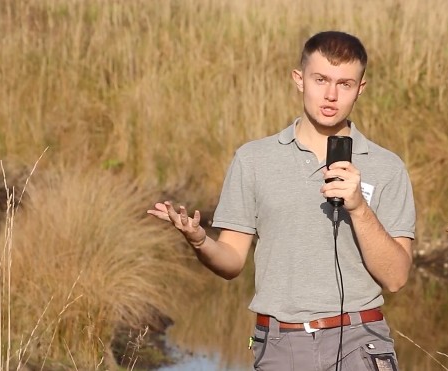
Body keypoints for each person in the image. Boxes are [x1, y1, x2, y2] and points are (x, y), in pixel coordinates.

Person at [148, 31, 415, 371]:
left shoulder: (387, 167)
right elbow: (230, 261)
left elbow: (396, 278)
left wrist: (359, 208)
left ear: (360, 89)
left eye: (345, 84)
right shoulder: (253, 159)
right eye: (320, 80)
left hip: (361, 342)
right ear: (299, 79)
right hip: (278, 346)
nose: (331, 95)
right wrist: (199, 241)